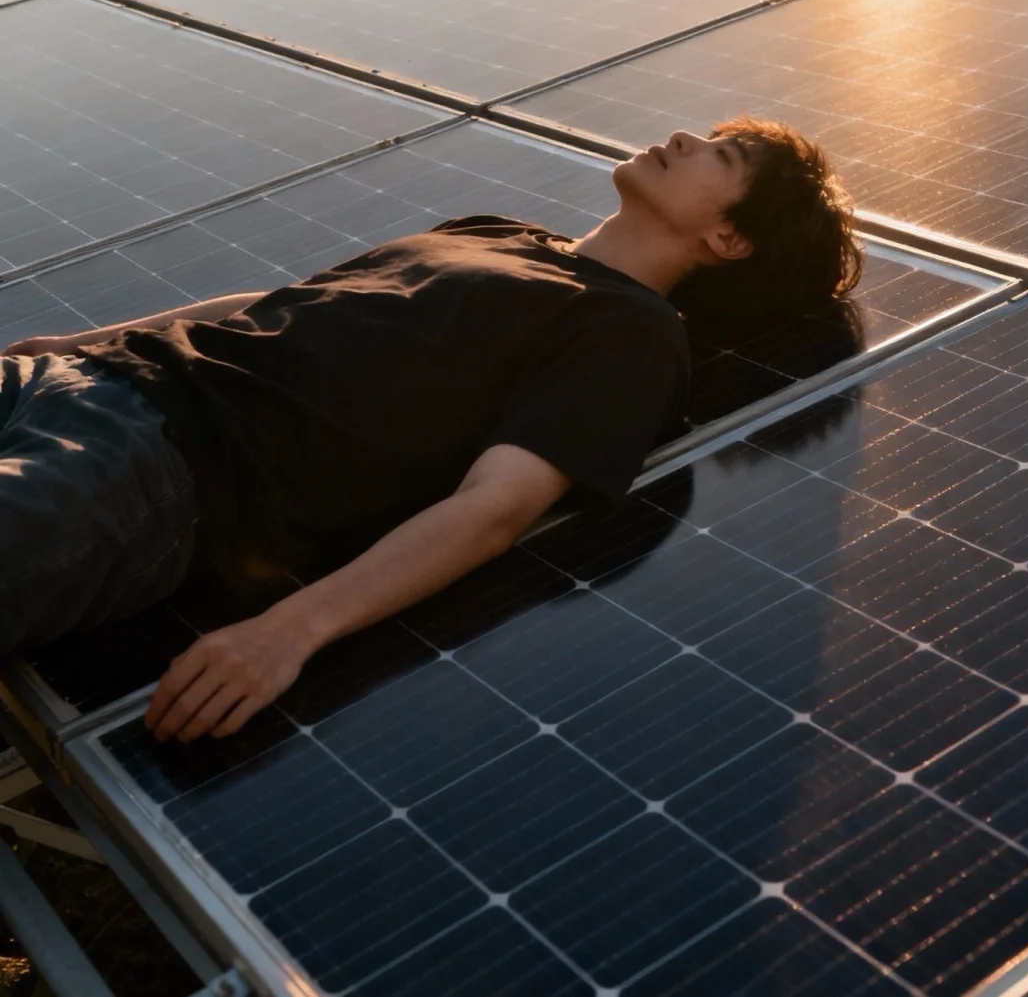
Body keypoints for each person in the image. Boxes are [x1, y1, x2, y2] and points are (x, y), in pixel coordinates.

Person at [0, 116, 860, 745]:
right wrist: (81, 343)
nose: (685, 135)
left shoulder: (631, 336)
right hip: (79, 379)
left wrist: (290, 629)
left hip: (154, 472)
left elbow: (497, 506)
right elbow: (285, 301)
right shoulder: (492, 230)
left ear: (728, 237)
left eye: (725, 153)